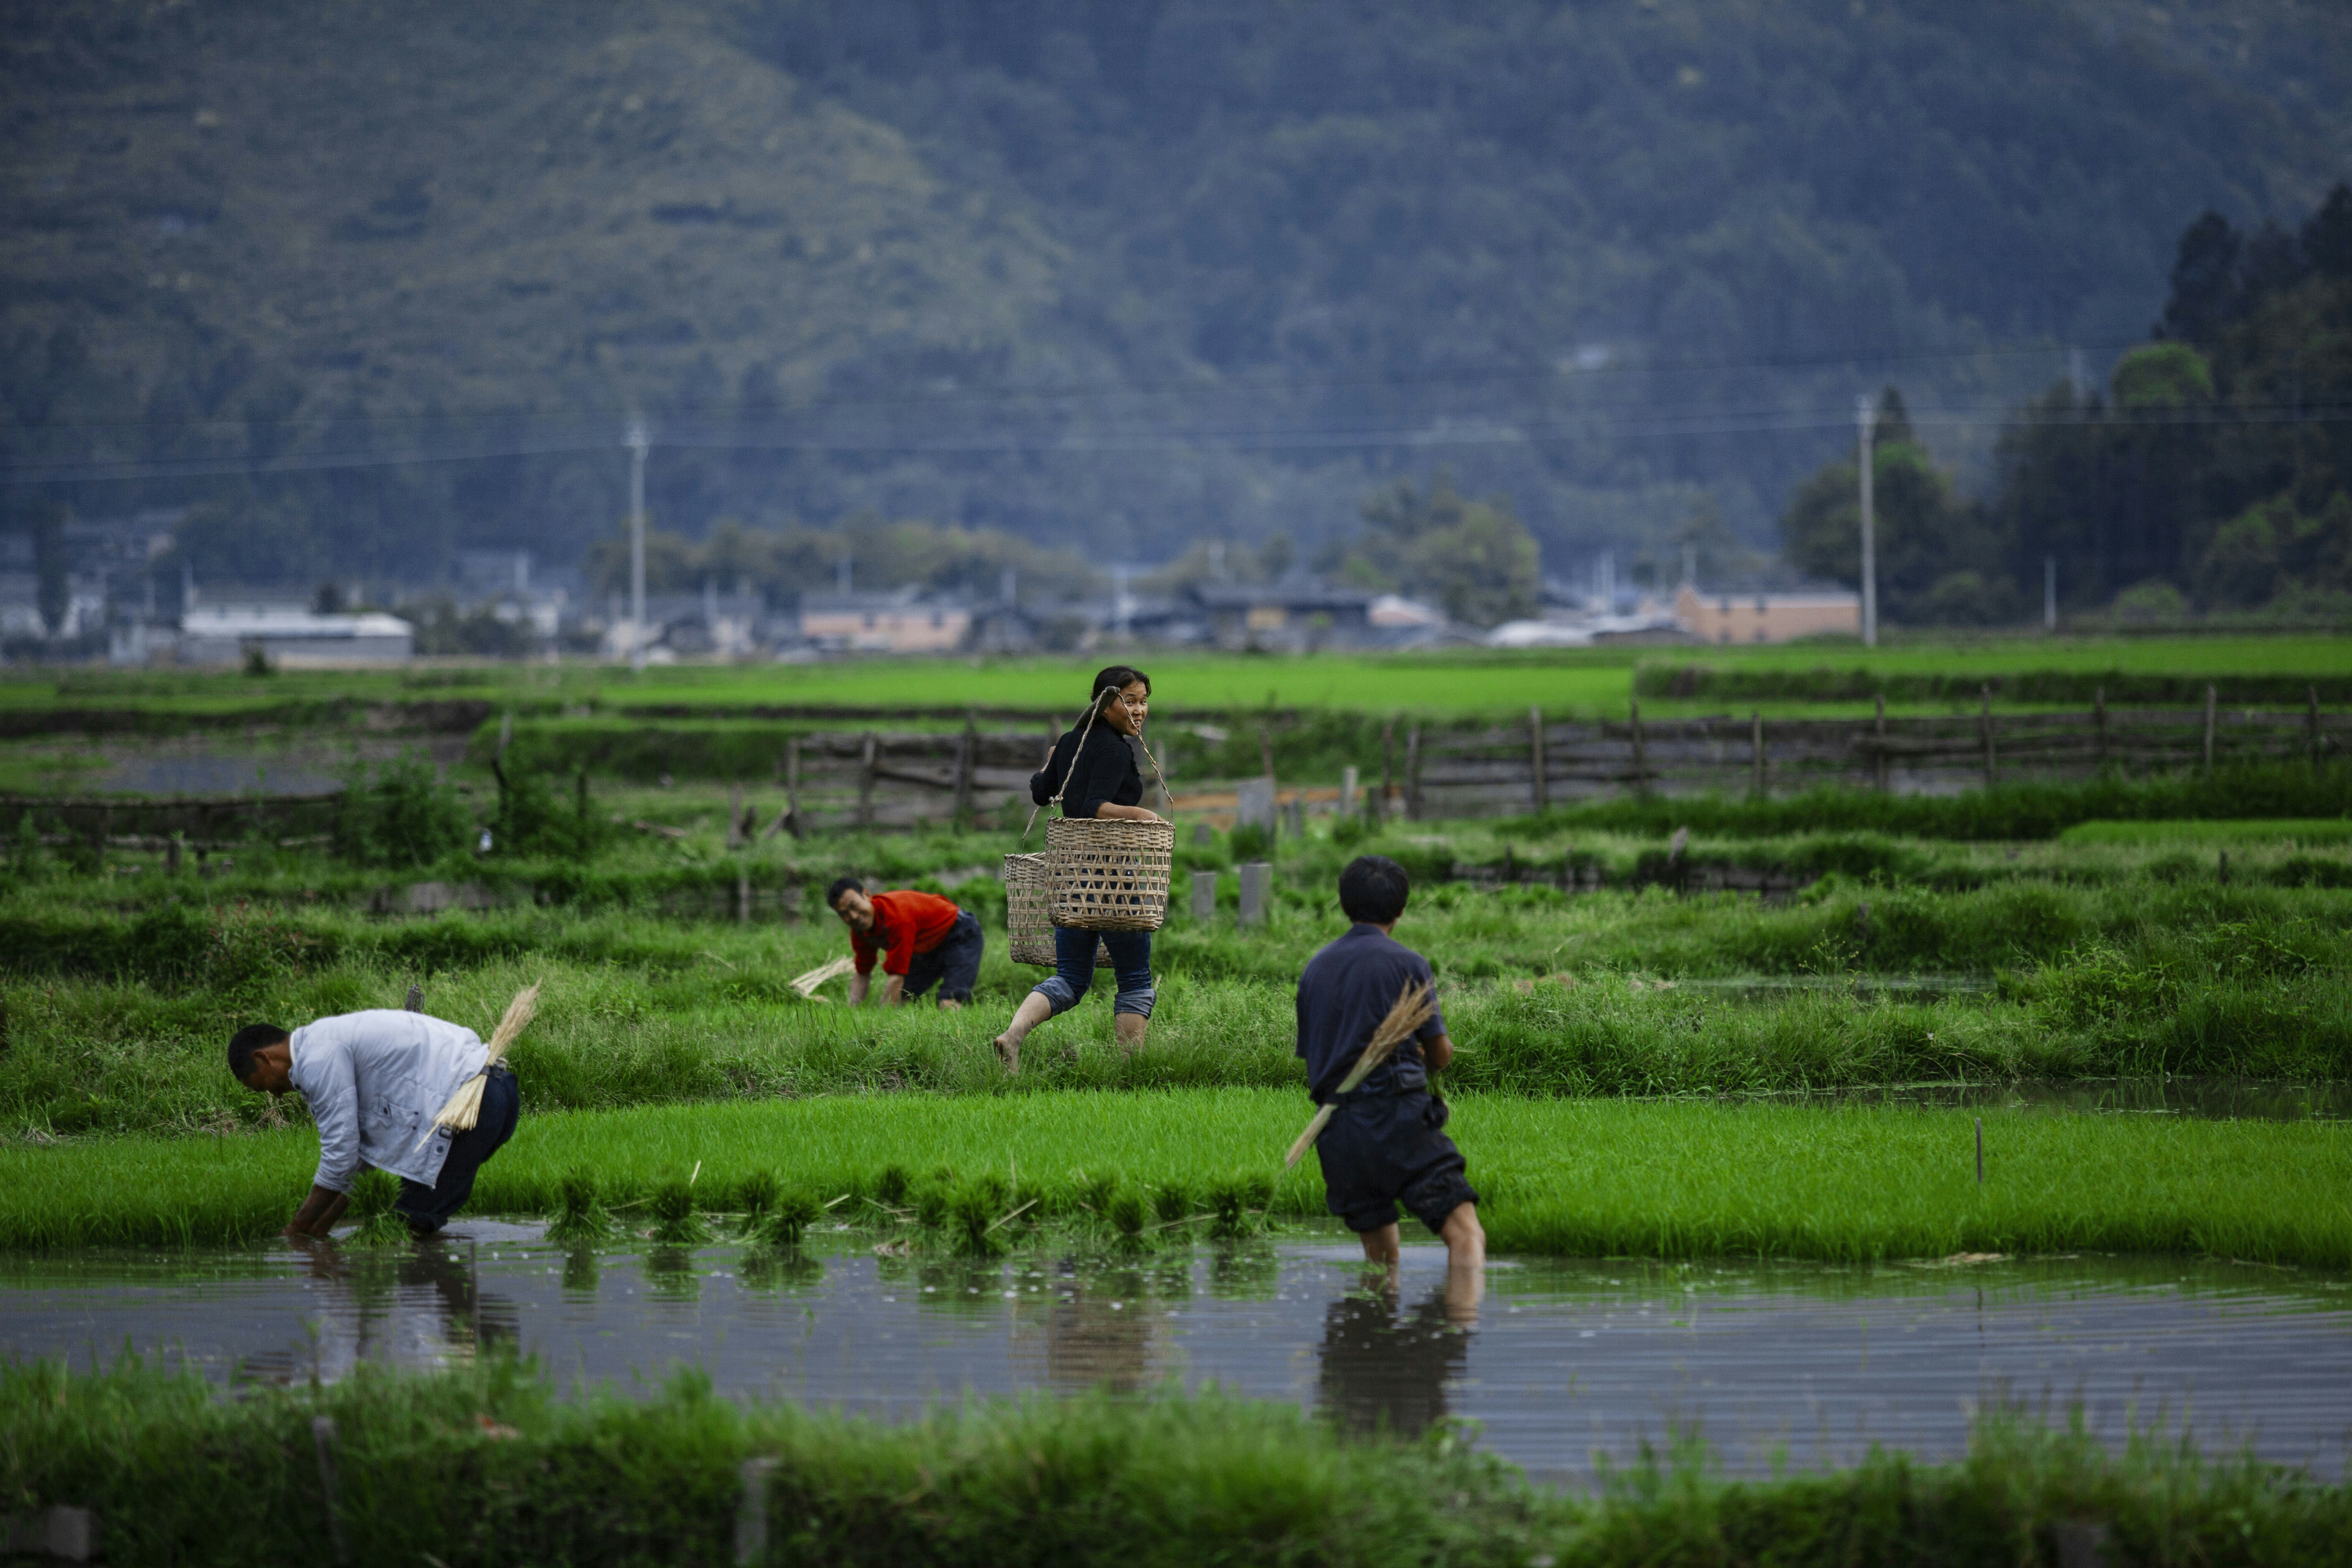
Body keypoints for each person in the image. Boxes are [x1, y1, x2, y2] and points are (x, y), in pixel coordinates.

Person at [1296, 854, 1484, 1313]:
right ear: (1400, 910)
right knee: (1465, 1236)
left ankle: (1375, 1361)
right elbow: (1440, 1054)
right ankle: (1454, 1342)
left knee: (1382, 1262)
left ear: (1345, 905)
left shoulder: (1315, 970)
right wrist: (1428, 1057)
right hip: (1397, 1119)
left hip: (1337, 1132)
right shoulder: (1408, 964)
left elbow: (1319, 1056)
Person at [993, 663, 1164, 1073]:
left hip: (1071, 878)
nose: (1140, 710)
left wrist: (1052, 761)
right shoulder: (1114, 749)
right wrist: (1143, 816)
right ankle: (1130, 1070)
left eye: (1144, 702)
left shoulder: (1072, 741)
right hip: (1114, 880)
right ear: (1108, 702)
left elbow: (1040, 792)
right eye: (1131, 701)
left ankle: (1014, 1033)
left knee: (1071, 979)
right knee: (1136, 980)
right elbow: (1094, 809)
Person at [229, 1008, 518, 1241]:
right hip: (498, 1093)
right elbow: (361, 1160)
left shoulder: (317, 1059)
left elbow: (340, 1155)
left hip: (470, 1104)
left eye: (264, 1087)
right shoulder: (325, 1041)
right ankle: (460, 1308)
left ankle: (446, 1304)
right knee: (414, 1222)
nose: (276, 1096)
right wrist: (320, 1229)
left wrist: (296, 1232)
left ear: (264, 1058)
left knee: (404, 1228)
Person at [828, 877, 983, 1009]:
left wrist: (882, 1023)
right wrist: (852, 1011)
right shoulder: (860, 930)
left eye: (854, 906)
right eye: (844, 914)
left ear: (867, 894)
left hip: (959, 933)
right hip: (925, 946)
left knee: (948, 1000)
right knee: (904, 996)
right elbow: (863, 972)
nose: (854, 916)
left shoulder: (896, 917)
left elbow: (897, 976)